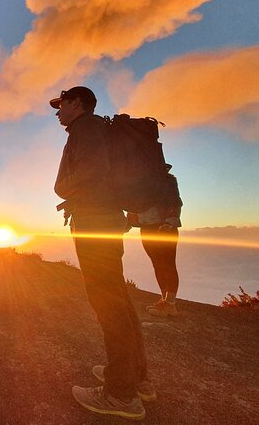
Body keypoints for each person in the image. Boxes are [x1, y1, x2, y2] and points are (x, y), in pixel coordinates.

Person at [51, 86, 153, 420]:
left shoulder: (86, 128)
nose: (57, 111)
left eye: (61, 104)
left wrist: (63, 188)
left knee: (108, 303)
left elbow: (90, 173)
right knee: (118, 298)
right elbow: (101, 176)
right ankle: (135, 379)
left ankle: (120, 394)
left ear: (77, 103)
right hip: (106, 220)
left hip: (96, 224)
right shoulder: (99, 129)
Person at [127, 166, 183, 317]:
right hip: (147, 227)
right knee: (157, 263)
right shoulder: (138, 183)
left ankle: (170, 304)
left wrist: (170, 222)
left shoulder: (167, 180)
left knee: (167, 263)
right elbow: (133, 206)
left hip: (164, 227)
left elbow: (175, 201)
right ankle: (164, 300)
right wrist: (130, 221)